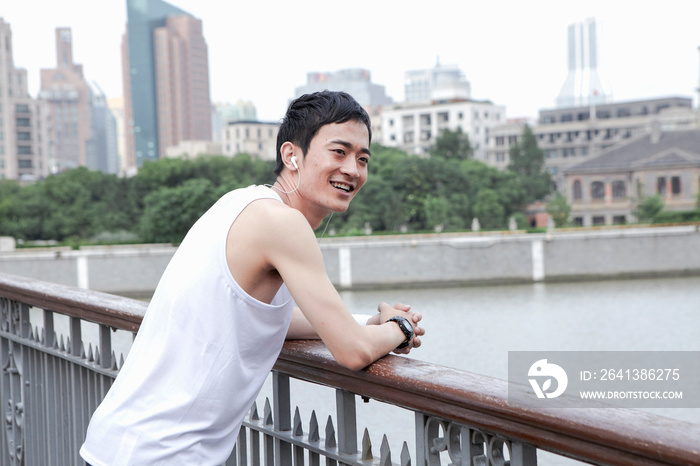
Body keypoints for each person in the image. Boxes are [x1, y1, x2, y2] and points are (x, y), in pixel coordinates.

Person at [80, 90, 424, 465]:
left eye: (363, 158)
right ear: (291, 155)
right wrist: (401, 327)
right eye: (338, 152)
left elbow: (266, 316)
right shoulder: (283, 223)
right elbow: (353, 351)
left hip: (123, 444)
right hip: (162, 454)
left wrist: (365, 323)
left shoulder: (242, 203)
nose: (353, 170)